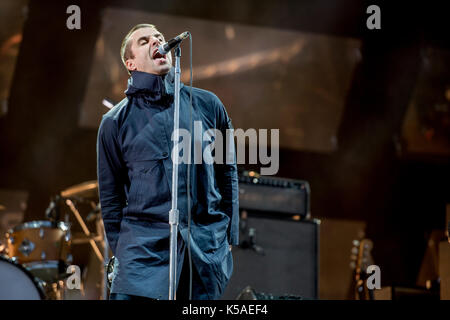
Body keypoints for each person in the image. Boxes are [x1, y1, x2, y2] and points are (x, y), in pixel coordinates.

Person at [97, 24, 239, 300]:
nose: (157, 42)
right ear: (131, 63)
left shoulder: (208, 105)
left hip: (202, 249)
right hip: (142, 255)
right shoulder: (114, 122)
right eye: (144, 40)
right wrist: (123, 251)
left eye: (159, 38)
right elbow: (110, 196)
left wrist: (227, 237)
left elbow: (227, 172)